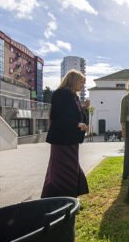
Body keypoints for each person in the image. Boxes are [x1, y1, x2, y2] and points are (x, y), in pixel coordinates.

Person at [41, 69, 89, 198]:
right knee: (60, 172)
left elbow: (77, 116)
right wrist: (77, 124)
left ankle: (70, 198)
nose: (82, 85)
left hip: (71, 140)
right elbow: (58, 117)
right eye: (81, 82)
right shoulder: (61, 94)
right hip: (61, 140)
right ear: (73, 80)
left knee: (71, 170)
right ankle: (59, 199)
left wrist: (84, 110)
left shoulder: (75, 97)